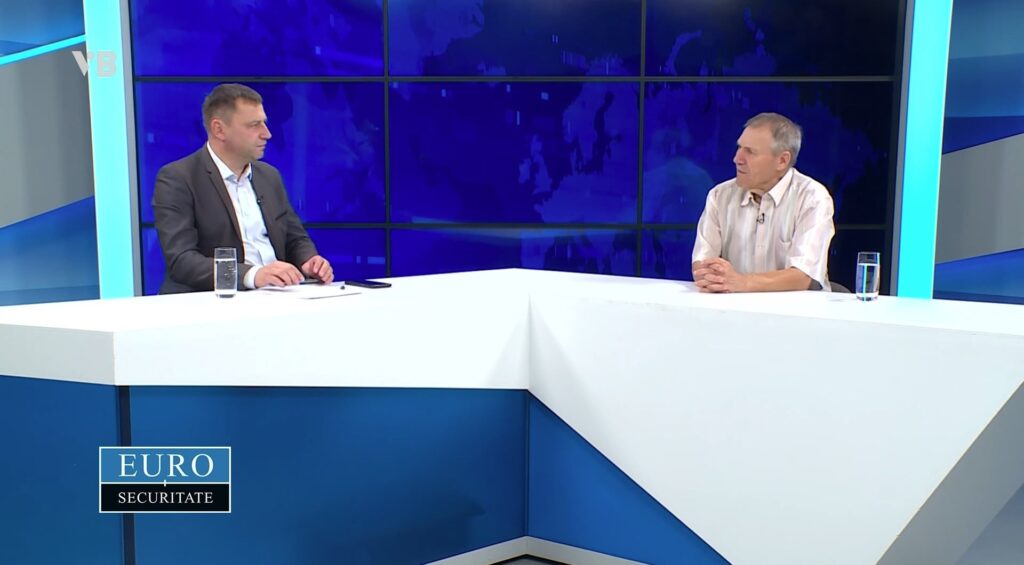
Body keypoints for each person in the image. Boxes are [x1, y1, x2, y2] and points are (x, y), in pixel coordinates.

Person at [153, 83, 333, 293]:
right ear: (219, 129)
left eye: (264, 123)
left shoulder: (269, 176)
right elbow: (181, 260)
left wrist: (309, 261)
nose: (267, 134)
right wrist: (253, 275)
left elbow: (295, 238)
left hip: (277, 295)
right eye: (254, 125)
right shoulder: (178, 178)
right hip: (217, 300)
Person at [691, 112, 834, 293]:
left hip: (798, 308)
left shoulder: (812, 198)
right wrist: (712, 276)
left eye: (750, 152)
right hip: (733, 305)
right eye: (739, 148)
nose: (737, 159)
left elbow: (803, 276)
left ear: (782, 160)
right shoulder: (720, 196)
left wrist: (742, 283)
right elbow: (702, 263)